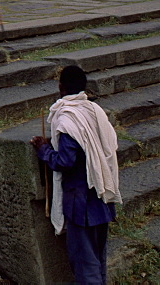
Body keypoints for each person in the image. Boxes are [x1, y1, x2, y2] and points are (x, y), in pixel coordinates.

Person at [30, 65, 121, 285]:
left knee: (86, 268)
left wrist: (44, 150)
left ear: (61, 88)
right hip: (101, 199)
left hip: (81, 204)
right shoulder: (94, 111)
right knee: (97, 264)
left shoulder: (68, 119)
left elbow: (65, 161)